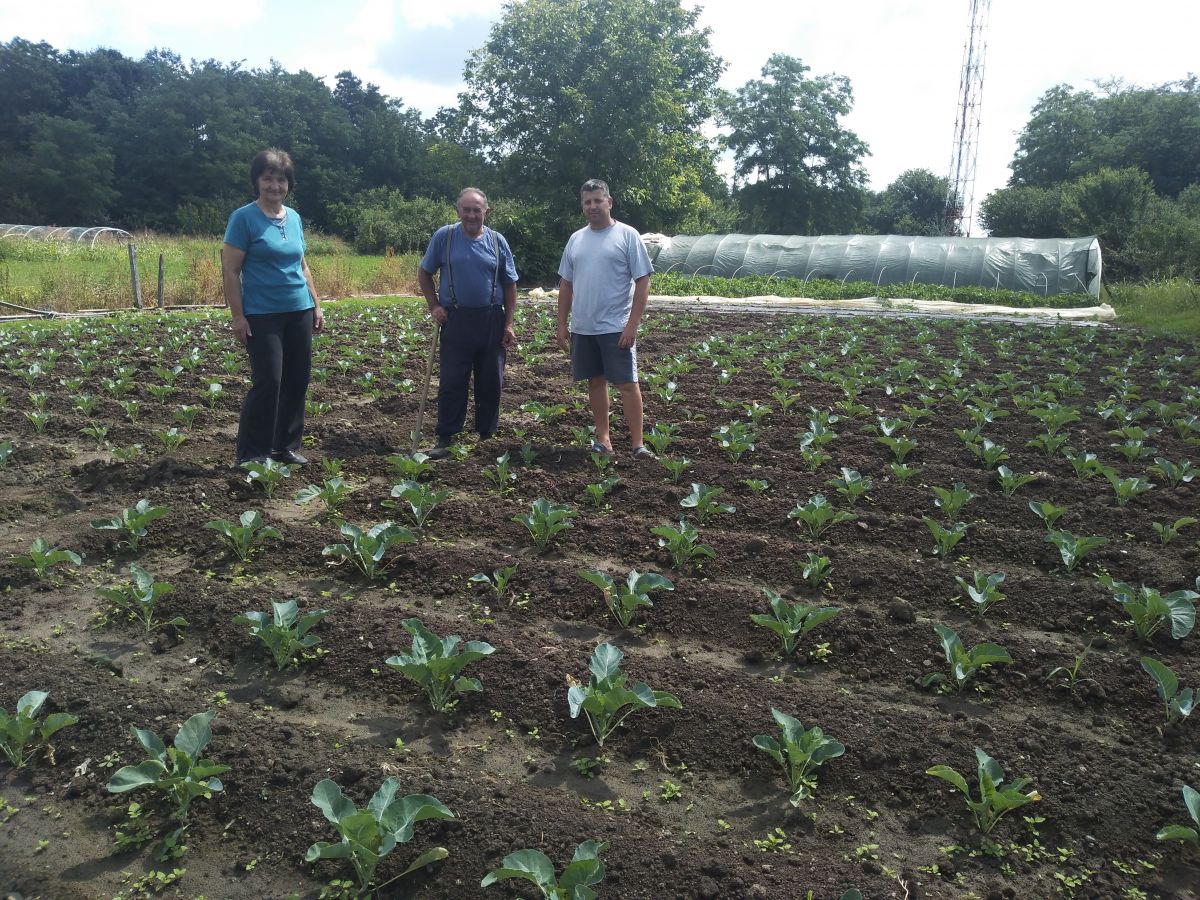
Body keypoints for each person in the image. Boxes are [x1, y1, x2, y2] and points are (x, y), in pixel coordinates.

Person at [222, 148, 325, 467]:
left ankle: (285, 446)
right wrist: (238, 317)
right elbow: (230, 271)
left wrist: (316, 305)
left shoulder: (293, 218)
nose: (274, 186)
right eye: (268, 178)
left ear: (288, 184)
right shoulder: (243, 218)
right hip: (263, 314)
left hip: (299, 310)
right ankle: (252, 453)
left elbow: (303, 266)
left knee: (298, 379)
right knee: (269, 381)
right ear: (257, 181)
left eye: (281, 180)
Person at [556, 178, 654, 459]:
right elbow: (566, 284)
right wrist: (562, 324)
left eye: (598, 200)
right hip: (584, 328)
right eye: (587, 202)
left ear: (609, 202)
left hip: (616, 327)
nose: (592, 206)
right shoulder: (576, 239)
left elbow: (643, 281)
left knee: (627, 383)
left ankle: (637, 444)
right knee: (595, 382)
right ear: (582, 206)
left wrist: (632, 325)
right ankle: (604, 440)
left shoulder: (627, 235)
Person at [418, 188, 518, 458]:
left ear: (486, 211)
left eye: (477, 209)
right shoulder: (445, 237)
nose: (472, 215)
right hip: (456, 318)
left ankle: (487, 434)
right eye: (467, 209)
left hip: (491, 318)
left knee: (490, 380)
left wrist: (509, 323)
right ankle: (446, 436)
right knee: (453, 380)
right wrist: (434, 306)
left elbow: (510, 285)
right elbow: (425, 272)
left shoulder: (498, 242)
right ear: (458, 211)